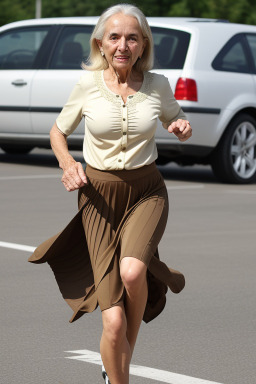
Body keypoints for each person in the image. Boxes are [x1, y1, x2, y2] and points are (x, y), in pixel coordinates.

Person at [28, 4, 192, 384]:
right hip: (98, 198)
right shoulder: (87, 85)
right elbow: (58, 133)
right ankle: (115, 364)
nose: (123, 45)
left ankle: (122, 364)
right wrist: (68, 164)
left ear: (142, 44)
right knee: (112, 321)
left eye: (132, 37)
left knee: (133, 272)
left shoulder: (158, 84)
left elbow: (174, 119)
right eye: (115, 37)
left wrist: (181, 126)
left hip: (146, 193)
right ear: (101, 44)